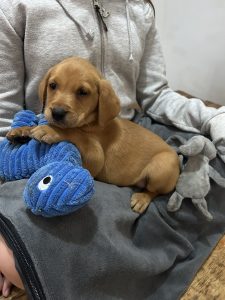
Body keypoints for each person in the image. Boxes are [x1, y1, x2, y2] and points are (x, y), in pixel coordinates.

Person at [0, 0, 225, 298]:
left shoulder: (140, 10)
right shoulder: (16, 7)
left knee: (209, 173)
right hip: (43, 154)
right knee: (39, 224)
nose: (59, 103)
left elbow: (156, 95)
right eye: (53, 88)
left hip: (124, 148)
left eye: (82, 93)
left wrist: (214, 117)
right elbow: (5, 118)